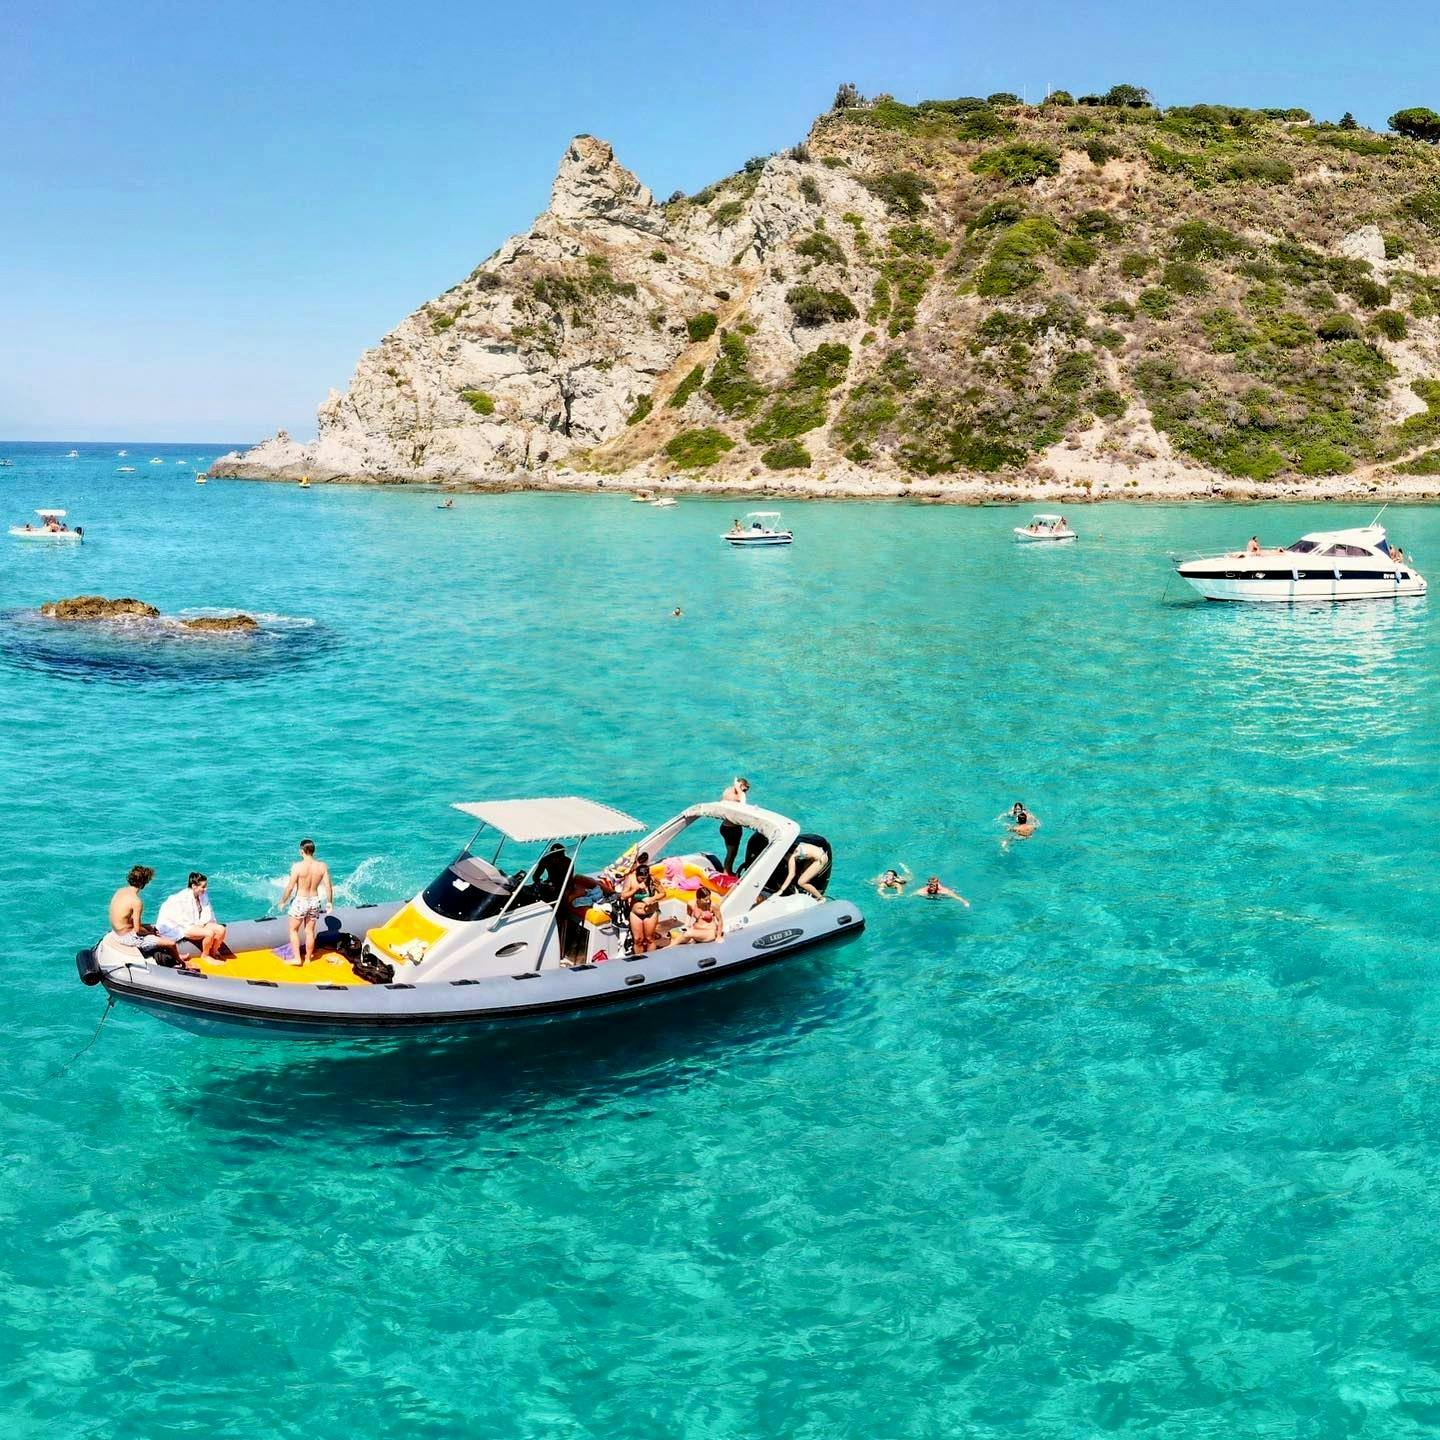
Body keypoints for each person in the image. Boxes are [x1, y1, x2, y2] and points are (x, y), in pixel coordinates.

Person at [107, 865, 183, 964]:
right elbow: (137, 930)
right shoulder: (136, 901)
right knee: (171, 943)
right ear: (144, 883)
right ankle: (181, 961)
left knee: (153, 927)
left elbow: (128, 921)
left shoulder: (120, 891)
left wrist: (149, 929)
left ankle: (170, 951)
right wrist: (150, 933)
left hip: (117, 932)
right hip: (127, 937)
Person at [278, 838, 333, 967]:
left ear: (302, 851)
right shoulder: (322, 866)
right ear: (313, 851)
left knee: (293, 930)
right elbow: (328, 886)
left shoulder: (297, 867)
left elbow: (290, 887)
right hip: (314, 900)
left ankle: (297, 959)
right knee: (309, 931)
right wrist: (330, 902)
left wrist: (283, 901)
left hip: (300, 901)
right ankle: (308, 958)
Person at [156, 871, 227, 959]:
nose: (206, 889)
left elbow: (207, 912)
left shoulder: (203, 895)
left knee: (221, 929)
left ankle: (213, 952)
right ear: (194, 886)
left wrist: (202, 924)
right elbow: (183, 921)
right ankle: (205, 955)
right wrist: (200, 927)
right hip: (185, 927)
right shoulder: (182, 898)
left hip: (198, 924)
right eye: (203, 887)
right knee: (209, 933)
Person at [719, 777, 750, 874]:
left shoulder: (727, 791)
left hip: (724, 827)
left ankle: (728, 870)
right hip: (732, 829)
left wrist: (737, 788)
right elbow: (743, 805)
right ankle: (726, 872)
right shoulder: (738, 796)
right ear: (740, 786)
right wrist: (740, 790)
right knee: (732, 853)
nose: (745, 792)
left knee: (730, 852)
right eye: (744, 789)